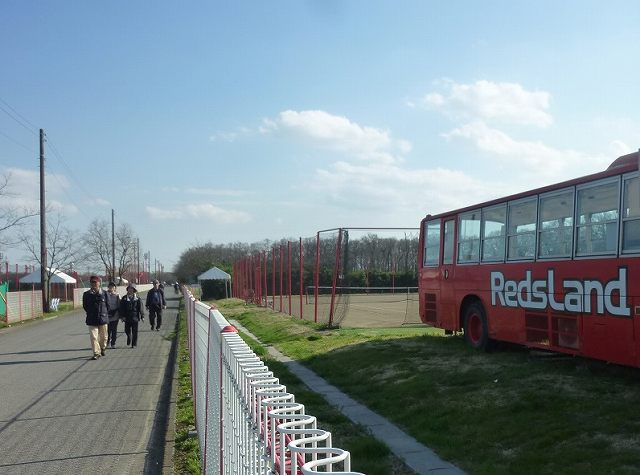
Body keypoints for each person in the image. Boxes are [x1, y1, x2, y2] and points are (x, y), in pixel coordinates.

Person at [83, 275, 109, 360]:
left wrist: (104, 313)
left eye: (95, 282)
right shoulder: (86, 294)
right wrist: (91, 313)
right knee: (94, 337)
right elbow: (85, 306)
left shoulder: (105, 293)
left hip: (103, 318)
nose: (93, 284)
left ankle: (102, 348)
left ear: (99, 283)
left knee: (104, 337)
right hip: (92, 319)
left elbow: (108, 306)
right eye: (92, 282)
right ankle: (96, 353)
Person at [120, 284, 144, 348]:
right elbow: (121, 308)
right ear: (127, 289)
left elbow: (141, 308)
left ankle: (134, 344)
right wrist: (122, 316)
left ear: (134, 290)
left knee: (135, 331)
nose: (130, 290)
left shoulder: (137, 298)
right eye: (129, 288)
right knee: (127, 330)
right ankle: (129, 337)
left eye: (132, 289)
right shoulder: (124, 298)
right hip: (127, 317)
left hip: (135, 317)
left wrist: (142, 316)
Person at [106, 282, 121, 348]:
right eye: (110, 286)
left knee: (114, 330)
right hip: (107, 315)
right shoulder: (105, 294)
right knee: (108, 331)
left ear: (115, 288)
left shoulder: (117, 295)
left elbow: (120, 305)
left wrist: (120, 315)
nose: (111, 288)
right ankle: (107, 342)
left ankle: (113, 343)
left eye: (113, 287)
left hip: (115, 315)